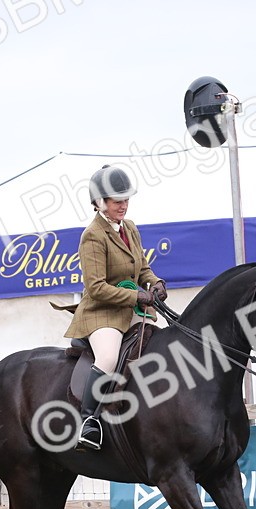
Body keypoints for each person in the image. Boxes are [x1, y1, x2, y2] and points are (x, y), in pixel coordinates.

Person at [65, 164, 167, 451]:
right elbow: (96, 288)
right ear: (100, 203)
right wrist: (137, 298)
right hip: (102, 312)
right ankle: (89, 422)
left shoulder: (130, 228)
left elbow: (142, 268)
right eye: (116, 201)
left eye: (125, 200)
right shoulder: (92, 236)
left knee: (156, 346)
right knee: (109, 358)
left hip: (132, 310)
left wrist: (155, 283)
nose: (123, 205)